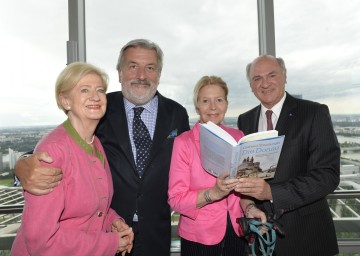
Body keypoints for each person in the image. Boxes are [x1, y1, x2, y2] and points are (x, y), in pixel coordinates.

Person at [14, 39, 190, 256]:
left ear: (159, 74)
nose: (142, 75)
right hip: (101, 235)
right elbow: (54, 149)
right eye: (133, 66)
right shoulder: (99, 106)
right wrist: (20, 166)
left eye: (150, 68)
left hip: (155, 232)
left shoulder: (177, 114)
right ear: (120, 72)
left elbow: (188, 162)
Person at [11, 62, 134, 255]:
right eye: (84, 90)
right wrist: (109, 244)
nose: (95, 96)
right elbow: (41, 240)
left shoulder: (96, 144)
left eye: (100, 90)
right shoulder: (53, 151)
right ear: (65, 101)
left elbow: (92, 208)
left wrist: (113, 221)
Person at [235, 55, 340, 256]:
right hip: (261, 238)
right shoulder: (245, 120)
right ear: (251, 85)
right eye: (257, 78)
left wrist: (272, 193)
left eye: (271, 75)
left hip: (308, 239)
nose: (264, 83)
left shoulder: (314, 113)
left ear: (285, 76)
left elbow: (328, 175)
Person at [168, 76, 266, 256]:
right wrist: (214, 193)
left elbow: (243, 191)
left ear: (226, 104)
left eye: (219, 100)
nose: (213, 107)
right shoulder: (184, 142)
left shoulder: (238, 136)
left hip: (237, 231)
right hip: (199, 236)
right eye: (206, 101)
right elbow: (176, 200)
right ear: (197, 106)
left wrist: (250, 208)